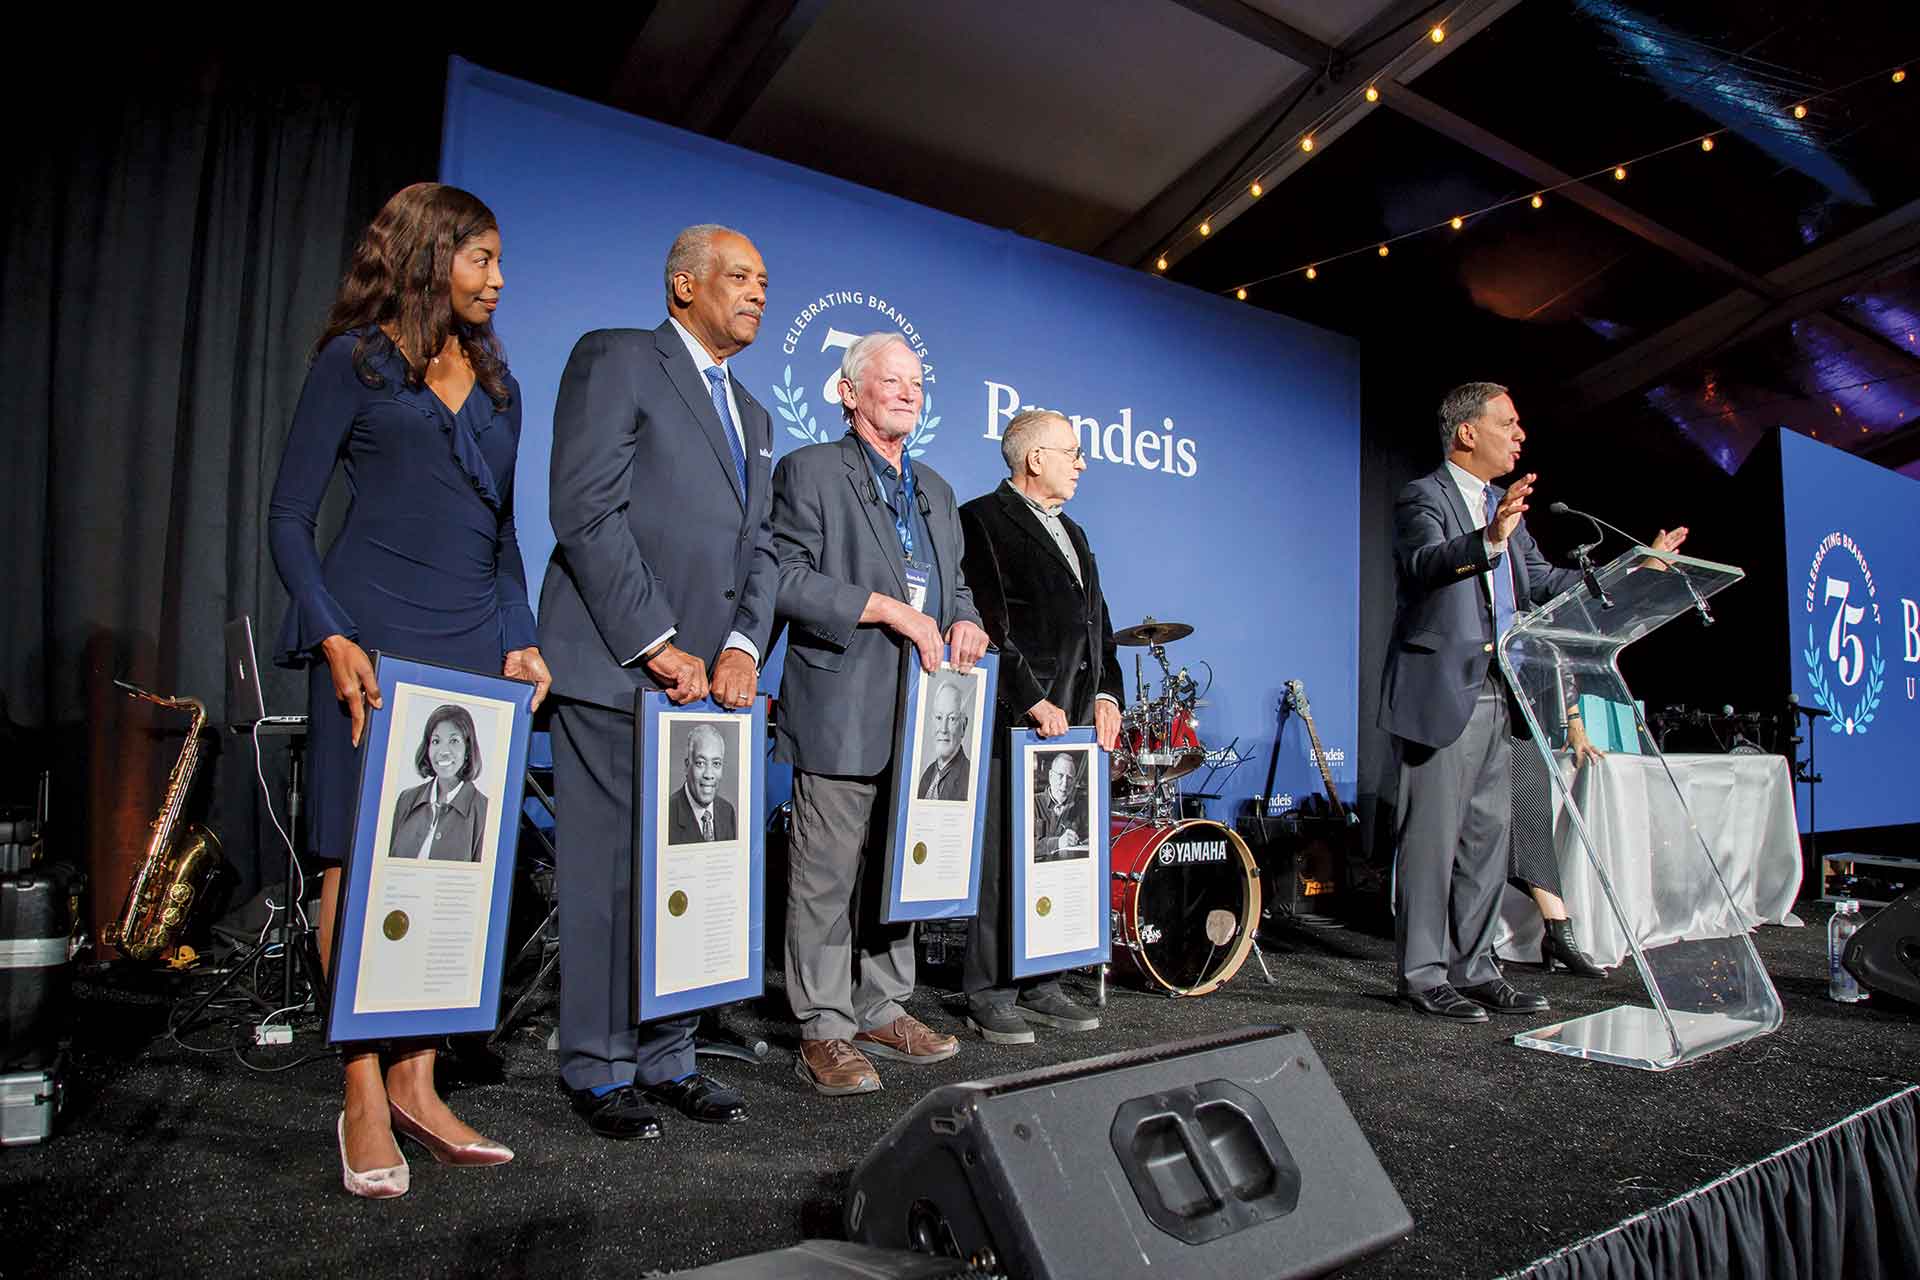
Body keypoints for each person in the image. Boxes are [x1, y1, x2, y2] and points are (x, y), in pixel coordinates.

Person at [268, 182, 548, 1197]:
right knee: (355, 864)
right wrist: (332, 631)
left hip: (474, 640)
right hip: (373, 637)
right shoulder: (357, 363)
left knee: (452, 865)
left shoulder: (501, 385)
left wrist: (521, 641)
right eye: (480, 257)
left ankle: (421, 1085)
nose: (498, 279)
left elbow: (505, 534)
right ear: (428, 254)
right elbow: (289, 515)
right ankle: (361, 1091)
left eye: (500, 260)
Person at [538, 224, 776, 1139]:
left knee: (694, 872)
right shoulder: (617, 359)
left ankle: (672, 1055)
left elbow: (762, 551)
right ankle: (598, 1068)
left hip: (712, 694)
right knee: (607, 874)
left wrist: (741, 650)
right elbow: (585, 510)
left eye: (764, 282)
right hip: (615, 666)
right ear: (683, 284)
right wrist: (660, 645)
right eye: (739, 277)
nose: (757, 293)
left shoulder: (754, 415)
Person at [1379, 382, 1684, 1022]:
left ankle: (1475, 967)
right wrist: (1488, 537)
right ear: (1468, 432)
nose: (1520, 435)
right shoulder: (1424, 497)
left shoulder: (1503, 508)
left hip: (1504, 691)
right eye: (1508, 423)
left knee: (1488, 840)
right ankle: (1424, 974)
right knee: (1433, 842)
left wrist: (1635, 568)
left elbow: (1543, 584)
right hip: (1442, 690)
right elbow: (1426, 564)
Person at [772, 331, 990, 1095]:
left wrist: (966, 619)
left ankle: (881, 1002)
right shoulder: (807, 471)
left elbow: (956, 587)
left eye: (916, 384)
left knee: (901, 869)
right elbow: (785, 580)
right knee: (826, 876)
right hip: (841, 697)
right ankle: (824, 1026)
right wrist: (887, 611)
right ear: (848, 392)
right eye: (890, 381)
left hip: (927, 710)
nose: (906, 393)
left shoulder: (935, 487)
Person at [957, 408, 1121, 1043]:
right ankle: (990, 988)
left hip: (1074, 721)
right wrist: (1029, 699)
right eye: (1072, 452)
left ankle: (1043, 976)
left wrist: (1108, 693)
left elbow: (1099, 624)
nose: (1081, 463)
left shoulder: (1075, 532)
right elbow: (989, 624)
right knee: (1004, 852)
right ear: (1034, 459)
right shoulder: (982, 520)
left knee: (1057, 849)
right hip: (1016, 721)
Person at [388, 704, 489, 863]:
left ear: (468, 750)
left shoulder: (485, 811)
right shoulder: (406, 799)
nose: (443, 751)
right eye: (436, 741)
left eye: (454, 740)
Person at [667, 723, 737, 845]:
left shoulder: (727, 811)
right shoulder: (666, 814)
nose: (709, 774)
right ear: (687, 766)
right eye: (701, 763)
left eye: (716, 764)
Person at [916, 676, 972, 800]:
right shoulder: (927, 775)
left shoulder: (969, 778)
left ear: (963, 726)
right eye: (939, 718)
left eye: (952, 718)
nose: (943, 729)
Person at [1033, 753, 1087, 861]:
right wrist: (1058, 843)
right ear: (1051, 776)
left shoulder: (1081, 807)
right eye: (1060, 775)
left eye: (1070, 778)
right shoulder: (1032, 803)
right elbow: (1023, 846)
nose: (1064, 784)